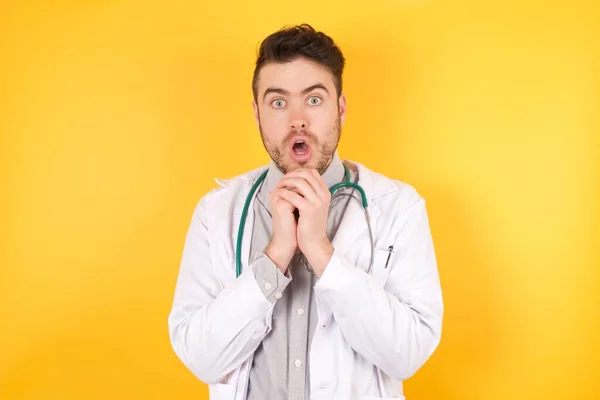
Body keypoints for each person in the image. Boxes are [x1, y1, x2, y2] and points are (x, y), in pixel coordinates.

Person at [168, 23, 444, 400]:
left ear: (340, 109)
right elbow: (201, 359)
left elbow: (408, 355)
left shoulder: (398, 207)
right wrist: (277, 254)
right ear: (257, 113)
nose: (297, 119)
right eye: (278, 102)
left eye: (314, 100)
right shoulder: (216, 212)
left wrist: (320, 251)